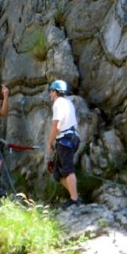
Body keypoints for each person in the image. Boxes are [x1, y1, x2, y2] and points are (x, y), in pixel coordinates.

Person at [46, 80, 81, 208]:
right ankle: (75, 194)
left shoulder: (58, 103)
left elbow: (57, 125)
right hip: (71, 138)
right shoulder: (68, 103)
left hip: (65, 138)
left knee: (67, 169)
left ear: (55, 91)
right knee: (57, 173)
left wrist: (49, 143)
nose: (50, 94)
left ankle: (74, 199)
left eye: (51, 91)